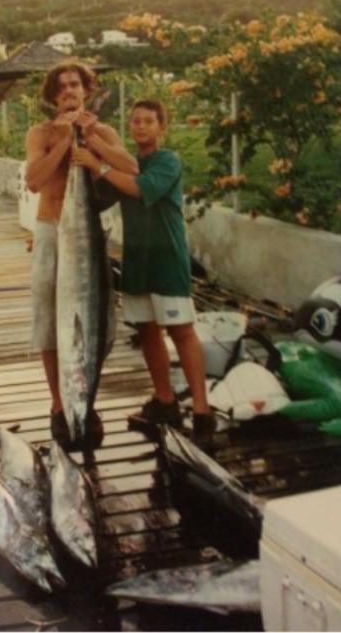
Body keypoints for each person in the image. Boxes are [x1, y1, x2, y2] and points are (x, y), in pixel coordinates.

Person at [72, 99, 216, 442]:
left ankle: (201, 412)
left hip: (166, 260)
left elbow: (138, 187)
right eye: (135, 121)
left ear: (161, 126)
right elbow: (98, 198)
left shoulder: (167, 161)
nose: (140, 126)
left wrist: (99, 161)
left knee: (181, 331)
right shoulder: (125, 162)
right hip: (137, 260)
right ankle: (165, 403)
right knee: (148, 332)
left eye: (148, 121)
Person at [25, 62, 139, 446]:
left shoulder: (101, 131)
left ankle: (85, 401)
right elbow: (35, 180)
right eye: (61, 88)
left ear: (86, 91)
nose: (69, 92)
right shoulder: (39, 133)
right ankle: (60, 405)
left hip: (87, 236)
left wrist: (92, 142)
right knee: (48, 319)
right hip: (50, 231)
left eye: (75, 85)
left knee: (95, 321)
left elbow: (130, 167)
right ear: (53, 96)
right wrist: (63, 140)